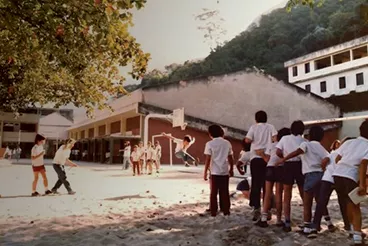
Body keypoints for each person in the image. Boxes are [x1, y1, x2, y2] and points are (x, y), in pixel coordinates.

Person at [279, 125, 329, 236]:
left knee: (307, 203)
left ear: (309, 135)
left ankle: (307, 227)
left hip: (310, 175)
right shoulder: (321, 147)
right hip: (321, 175)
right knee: (320, 201)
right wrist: (323, 166)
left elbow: (297, 152)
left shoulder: (305, 144)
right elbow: (327, 158)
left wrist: (284, 158)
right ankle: (325, 223)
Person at [308, 137, 354, 238]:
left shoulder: (334, 152)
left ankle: (315, 227)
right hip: (340, 179)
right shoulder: (348, 154)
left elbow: (324, 161)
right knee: (343, 203)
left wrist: (326, 170)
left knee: (321, 203)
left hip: (328, 178)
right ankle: (348, 226)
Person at [333, 121, 368, 246]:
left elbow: (337, 158)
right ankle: (358, 236)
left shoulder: (349, 142)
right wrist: (363, 184)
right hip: (350, 176)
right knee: (355, 206)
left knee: (347, 203)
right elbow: (364, 164)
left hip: (337, 175)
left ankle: (354, 230)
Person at [245, 110, 277, 221]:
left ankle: (256, 208)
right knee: (267, 185)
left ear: (256, 119)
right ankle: (267, 209)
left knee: (255, 183)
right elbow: (275, 138)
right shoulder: (271, 127)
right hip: (267, 157)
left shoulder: (253, 127)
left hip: (255, 157)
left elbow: (248, 140)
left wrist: (254, 140)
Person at [256, 127, 290, 228]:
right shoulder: (287, 146)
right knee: (279, 194)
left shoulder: (271, 145)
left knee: (267, 193)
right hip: (281, 168)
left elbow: (267, 159)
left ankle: (263, 218)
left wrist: (261, 154)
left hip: (270, 168)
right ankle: (279, 220)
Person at [276, 120, 306, 232]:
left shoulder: (285, 138)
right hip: (300, 165)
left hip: (287, 165)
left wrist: (284, 155)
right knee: (303, 194)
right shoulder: (304, 140)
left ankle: (287, 221)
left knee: (287, 194)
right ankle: (306, 221)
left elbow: (278, 152)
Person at [204, 124, 234, 217]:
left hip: (214, 171)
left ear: (210, 134)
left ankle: (213, 210)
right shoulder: (227, 143)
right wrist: (232, 168)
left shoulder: (209, 144)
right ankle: (225, 210)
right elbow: (231, 157)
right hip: (224, 171)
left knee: (213, 192)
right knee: (224, 191)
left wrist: (205, 172)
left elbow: (208, 159)